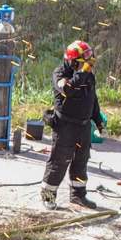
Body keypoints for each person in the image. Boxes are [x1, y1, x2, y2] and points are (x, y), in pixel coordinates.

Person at [42, 40, 103, 209]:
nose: (88, 67)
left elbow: (93, 99)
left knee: (81, 161)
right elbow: (67, 89)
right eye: (85, 63)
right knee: (59, 162)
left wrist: (98, 121)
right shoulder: (60, 74)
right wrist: (83, 72)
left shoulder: (88, 75)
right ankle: (48, 196)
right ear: (74, 62)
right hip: (65, 126)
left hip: (83, 126)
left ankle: (78, 195)